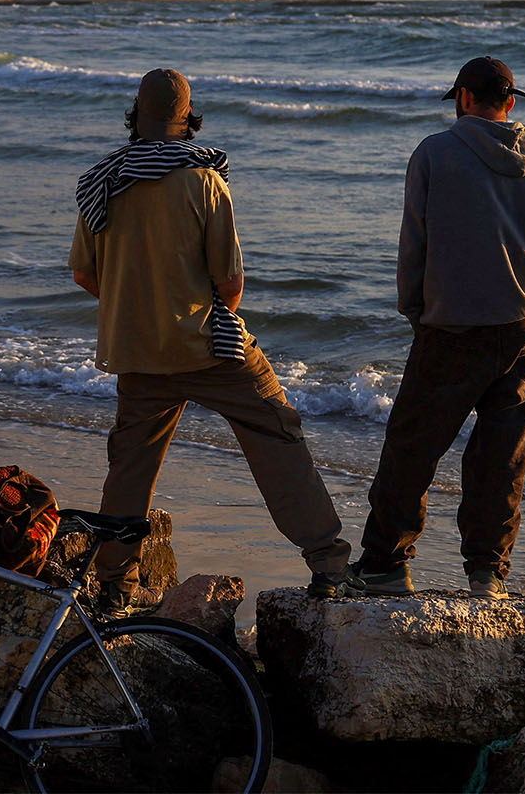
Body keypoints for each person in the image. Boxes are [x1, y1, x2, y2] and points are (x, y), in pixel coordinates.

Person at [70, 69, 358, 610]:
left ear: (136, 116)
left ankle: (114, 584)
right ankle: (329, 562)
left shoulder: (102, 182)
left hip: (137, 351)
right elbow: (230, 284)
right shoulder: (204, 181)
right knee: (276, 432)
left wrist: (140, 309)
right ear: (190, 118)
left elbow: (86, 275)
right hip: (207, 346)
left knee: (131, 463)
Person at [355, 57, 525, 600]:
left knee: (413, 447)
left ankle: (386, 562)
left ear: (463, 99)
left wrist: (414, 307)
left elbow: (415, 243)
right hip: (520, 327)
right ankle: (487, 573)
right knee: (502, 457)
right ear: (511, 103)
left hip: (449, 326)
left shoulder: (434, 154)